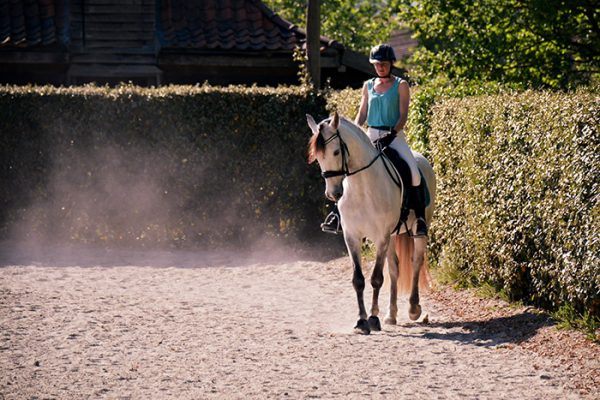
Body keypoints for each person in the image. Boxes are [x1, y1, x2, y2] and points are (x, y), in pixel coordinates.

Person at [321, 43, 428, 237]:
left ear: (391, 64)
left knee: (414, 173)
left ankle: (419, 218)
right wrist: (353, 131)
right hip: (370, 135)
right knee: (347, 168)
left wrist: (393, 133)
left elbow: (403, 115)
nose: (381, 67)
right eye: (377, 64)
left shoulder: (401, 85)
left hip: (394, 136)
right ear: (373, 65)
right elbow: (362, 112)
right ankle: (336, 215)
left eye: (384, 64)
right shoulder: (368, 85)